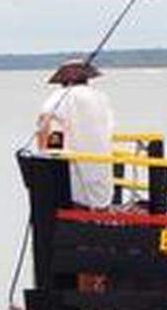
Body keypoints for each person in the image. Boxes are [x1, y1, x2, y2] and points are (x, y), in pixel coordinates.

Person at [36, 60, 115, 209]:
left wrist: (43, 152)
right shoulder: (101, 97)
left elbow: (45, 121)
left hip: (74, 185)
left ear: (63, 80)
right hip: (103, 182)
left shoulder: (62, 95)